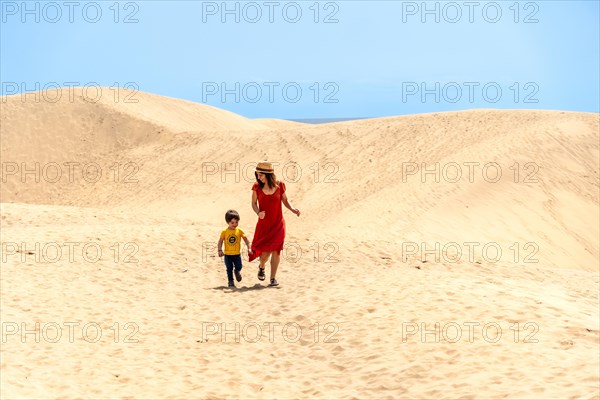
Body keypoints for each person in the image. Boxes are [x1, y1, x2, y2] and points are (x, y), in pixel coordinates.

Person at [249, 161, 300, 286]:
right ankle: (261, 267)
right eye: (257, 174)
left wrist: (293, 209)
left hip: (278, 224)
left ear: (268, 174)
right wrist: (258, 213)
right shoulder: (257, 187)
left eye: (261, 174)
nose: (258, 177)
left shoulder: (279, 185)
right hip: (264, 226)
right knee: (265, 253)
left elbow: (285, 200)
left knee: (277, 250)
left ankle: (272, 278)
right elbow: (253, 203)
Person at [218, 210, 252, 288]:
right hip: (227, 255)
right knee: (229, 269)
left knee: (239, 266)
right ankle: (230, 282)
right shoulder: (224, 232)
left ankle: (237, 271)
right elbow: (220, 242)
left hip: (237, 254)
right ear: (228, 222)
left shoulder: (239, 231)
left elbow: (246, 240)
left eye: (236, 222)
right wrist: (220, 250)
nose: (235, 224)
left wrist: (249, 248)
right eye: (232, 223)